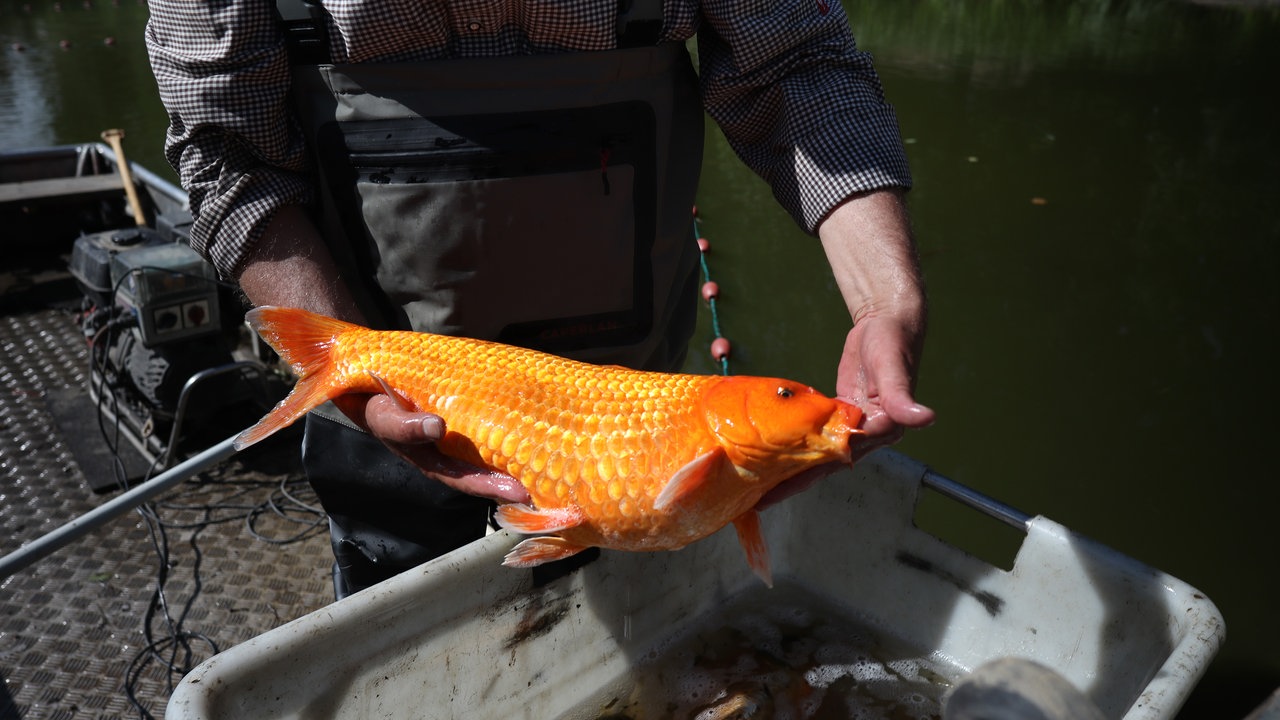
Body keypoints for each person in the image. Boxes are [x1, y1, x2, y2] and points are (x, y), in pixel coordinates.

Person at [145, 0, 935, 597]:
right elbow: (225, 149)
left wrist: (881, 300)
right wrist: (352, 370)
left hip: (640, 406)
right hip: (387, 399)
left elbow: (796, 68)